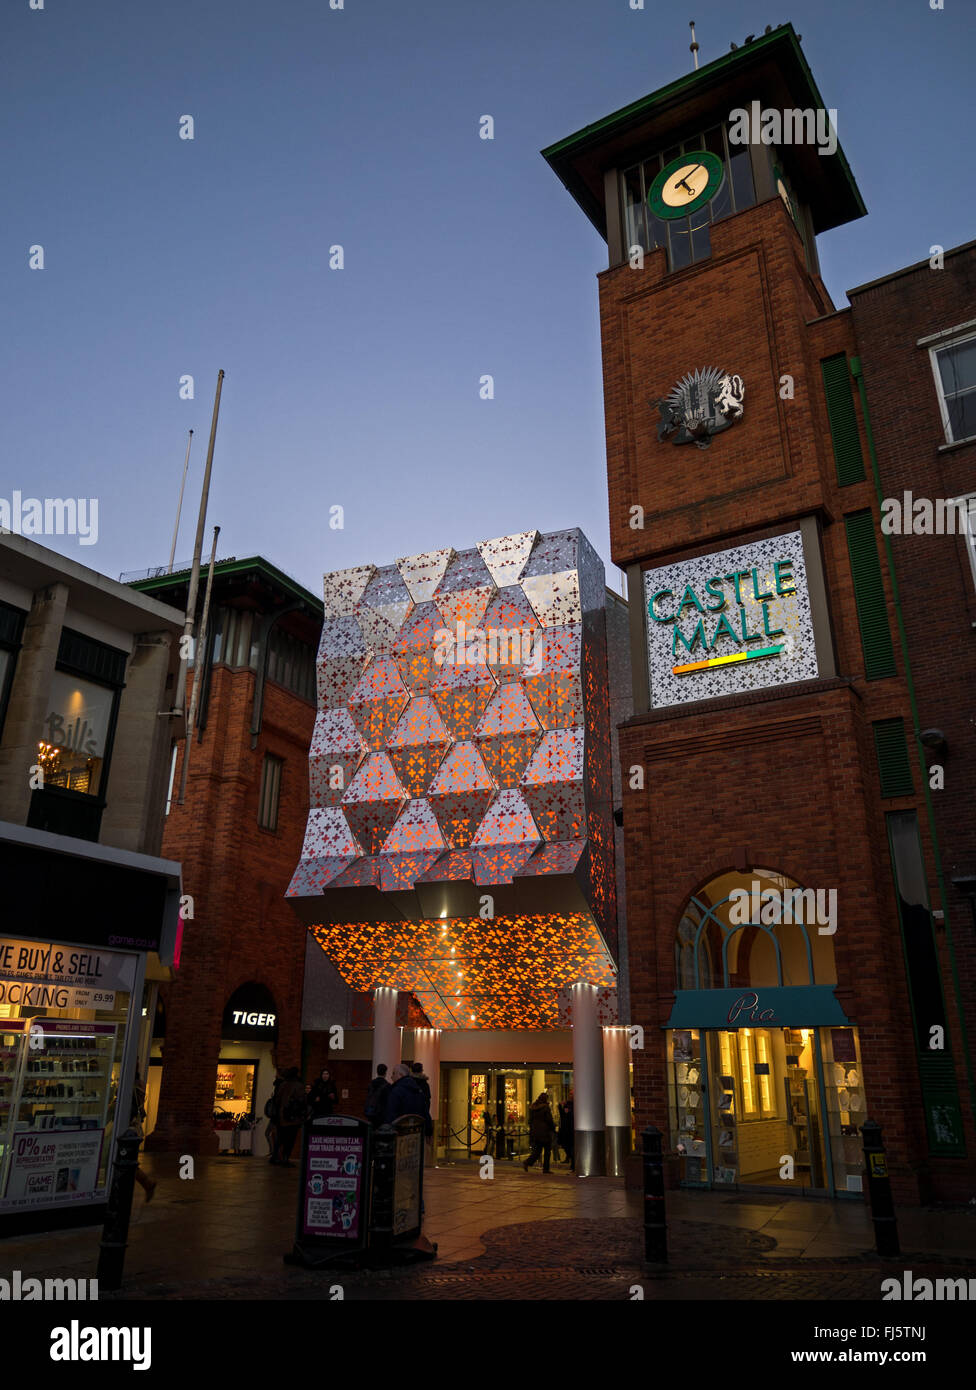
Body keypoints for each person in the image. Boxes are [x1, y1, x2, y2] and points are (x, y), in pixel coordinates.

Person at [271, 1067, 306, 1166]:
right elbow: (301, 1101)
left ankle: (275, 1156)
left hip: (281, 1117)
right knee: (290, 1139)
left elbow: (277, 1100)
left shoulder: (283, 1084)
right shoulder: (298, 1086)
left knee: (280, 1138)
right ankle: (285, 1158)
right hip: (292, 1117)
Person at [130, 1069, 156, 1202]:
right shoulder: (139, 1087)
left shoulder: (131, 1087)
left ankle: (147, 1183)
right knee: (129, 1162)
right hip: (135, 1132)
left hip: (129, 1131)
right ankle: (147, 1183)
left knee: (127, 1162)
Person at [385, 1063, 431, 1130]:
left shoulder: (396, 1091)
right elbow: (425, 1110)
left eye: (393, 1073)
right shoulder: (418, 1090)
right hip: (416, 1130)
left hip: (399, 1131)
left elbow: (391, 1114)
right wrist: (429, 1129)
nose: (391, 1076)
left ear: (400, 1075)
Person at [523, 1091, 555, 1173]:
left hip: (536, 1133)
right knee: (547, 1151)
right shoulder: (545, 1108)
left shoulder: (533, 1108)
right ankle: (546, 1169)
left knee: (537, 1151)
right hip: (545, 1133)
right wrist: (553, 1129)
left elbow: (530, 1121)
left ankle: (528, 1162)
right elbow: (549, 1120)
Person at [558, 1090, 575, 1171]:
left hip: (572, 1129)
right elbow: (563, 1116)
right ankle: (571, 1159)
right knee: (565, 1146)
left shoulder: (576, 1104)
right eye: (570, 1094)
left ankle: (573, 1163)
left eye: (572, 1094)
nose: (571, 1095)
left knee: (571, 1147)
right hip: (565, 1129)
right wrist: (560, 1107)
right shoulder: (567, 1104)